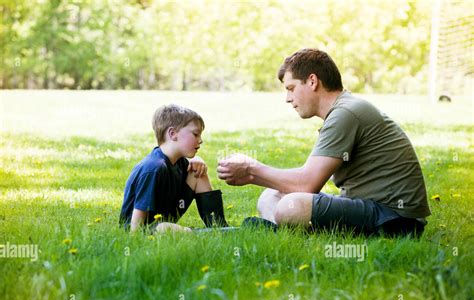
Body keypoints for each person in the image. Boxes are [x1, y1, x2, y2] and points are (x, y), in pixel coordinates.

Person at [217, 48, 430, 235]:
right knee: (270, 196)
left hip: (396, 219)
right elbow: (306, 181)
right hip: (372, 209)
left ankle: (277, 230)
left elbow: (307, 183)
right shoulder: (343, 109)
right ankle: (278, 232)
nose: (288, 99)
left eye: (291, 88)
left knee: (291, 205)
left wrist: (251, 170)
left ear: (312, 81)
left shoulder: (346, 113)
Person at [120, 104, 228, 233]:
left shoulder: (179, 162)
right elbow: (135, 226)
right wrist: (135, 237)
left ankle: (219, 228)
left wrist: (197, 161)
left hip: (164, 220)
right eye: (195, 134)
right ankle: (196, 233)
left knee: (197, 171)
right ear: (172, 133)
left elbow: (192, 172)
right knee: (163, 228)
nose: (200, 140)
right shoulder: (154, 168)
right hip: (144, 228)